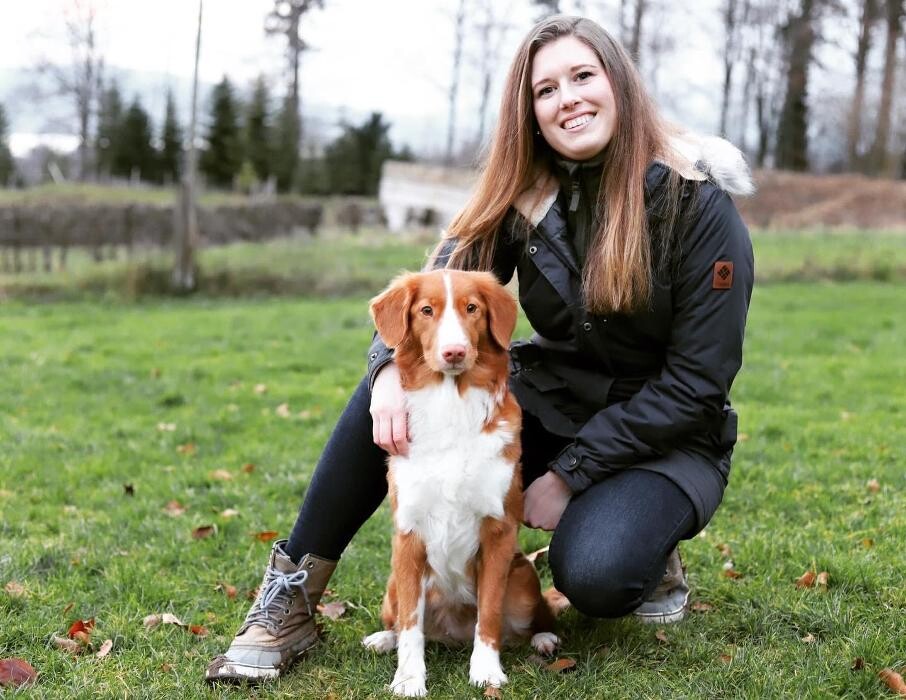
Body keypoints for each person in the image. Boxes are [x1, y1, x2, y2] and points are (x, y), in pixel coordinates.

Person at [205, 14, 754, 684]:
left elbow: (698, 382)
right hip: (556, 398)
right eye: (546, 90)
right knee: (400, 393)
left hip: (671, 434)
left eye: (583, 76)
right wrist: (383, 373)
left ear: (619, 83)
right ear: (530, 112)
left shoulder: (696, 203)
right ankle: (292, 596)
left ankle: (648, 547)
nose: (567, 99)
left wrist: (573, 475)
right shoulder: (524, 193)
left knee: (598, 574)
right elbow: (433, 294)